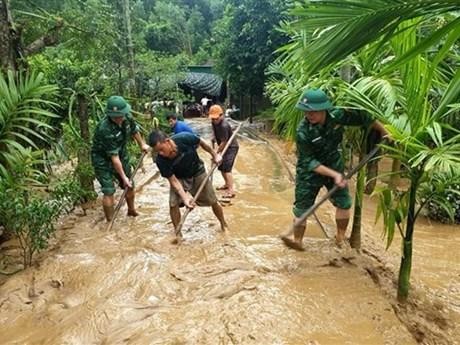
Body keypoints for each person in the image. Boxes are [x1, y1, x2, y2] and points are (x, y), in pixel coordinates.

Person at [282, 88, 389, 250]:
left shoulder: (337, 116)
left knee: (344, 203)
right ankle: (297, 242)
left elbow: (364, 118)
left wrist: (385, 132)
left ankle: (340, 238)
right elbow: (310, 162)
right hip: (309, 173)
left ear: (324, 109)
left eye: (313, 112)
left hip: (333, 163)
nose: (308, 115)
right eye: (306, 112)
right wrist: (335, 175)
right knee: (302, 210)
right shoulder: (303, 131)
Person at [148, 130, 228, 235]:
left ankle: (223, 224)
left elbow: (202, 143)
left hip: (197, 171)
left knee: (212, 200)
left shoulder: (184, 138)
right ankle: (178, 233)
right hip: (179, 177)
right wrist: (185, 198)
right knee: (173, 203)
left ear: (167, 141)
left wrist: (215, 155)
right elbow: (173, 181)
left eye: (161, 150)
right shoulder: (161, 161)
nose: (161, 154)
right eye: (158, 151)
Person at [91, 95, 150, 222]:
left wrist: (142, 145)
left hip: (121, 154)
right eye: (117, 117)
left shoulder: (127, 116)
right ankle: (110, 220)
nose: (121, 118)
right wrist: (123, 178)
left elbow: (134, 130)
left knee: (130, 185)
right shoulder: (104, 129)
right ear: (110, 115)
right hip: (102, 160)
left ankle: (131, 210)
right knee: (109, 190)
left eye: (122, 115)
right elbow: (114, 158)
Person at [209, 105, 239, 198]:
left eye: (216, 119)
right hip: (224, 145)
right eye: (213, 119)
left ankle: (231, 190)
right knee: (221, 167)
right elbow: (213, 129)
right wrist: (213, 136)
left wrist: (216, 153)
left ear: (221, 115)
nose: (214, 121)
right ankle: (226, 184)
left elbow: (224, 142)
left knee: (227, 169)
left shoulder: (224, 125)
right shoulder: (214, 122)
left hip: (231, 147)